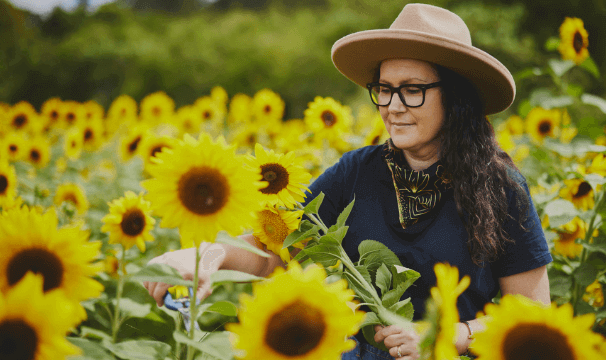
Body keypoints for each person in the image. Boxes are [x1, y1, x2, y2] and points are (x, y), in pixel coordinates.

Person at [143, 3, 552, 360]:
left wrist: (452, 335)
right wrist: (206, 255)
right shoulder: (356, 171)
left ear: (456, 97)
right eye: (384, 89)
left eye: (412, 90)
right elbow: (274, 250)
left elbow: (532, 312)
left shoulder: (500, 188)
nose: (392, 106)